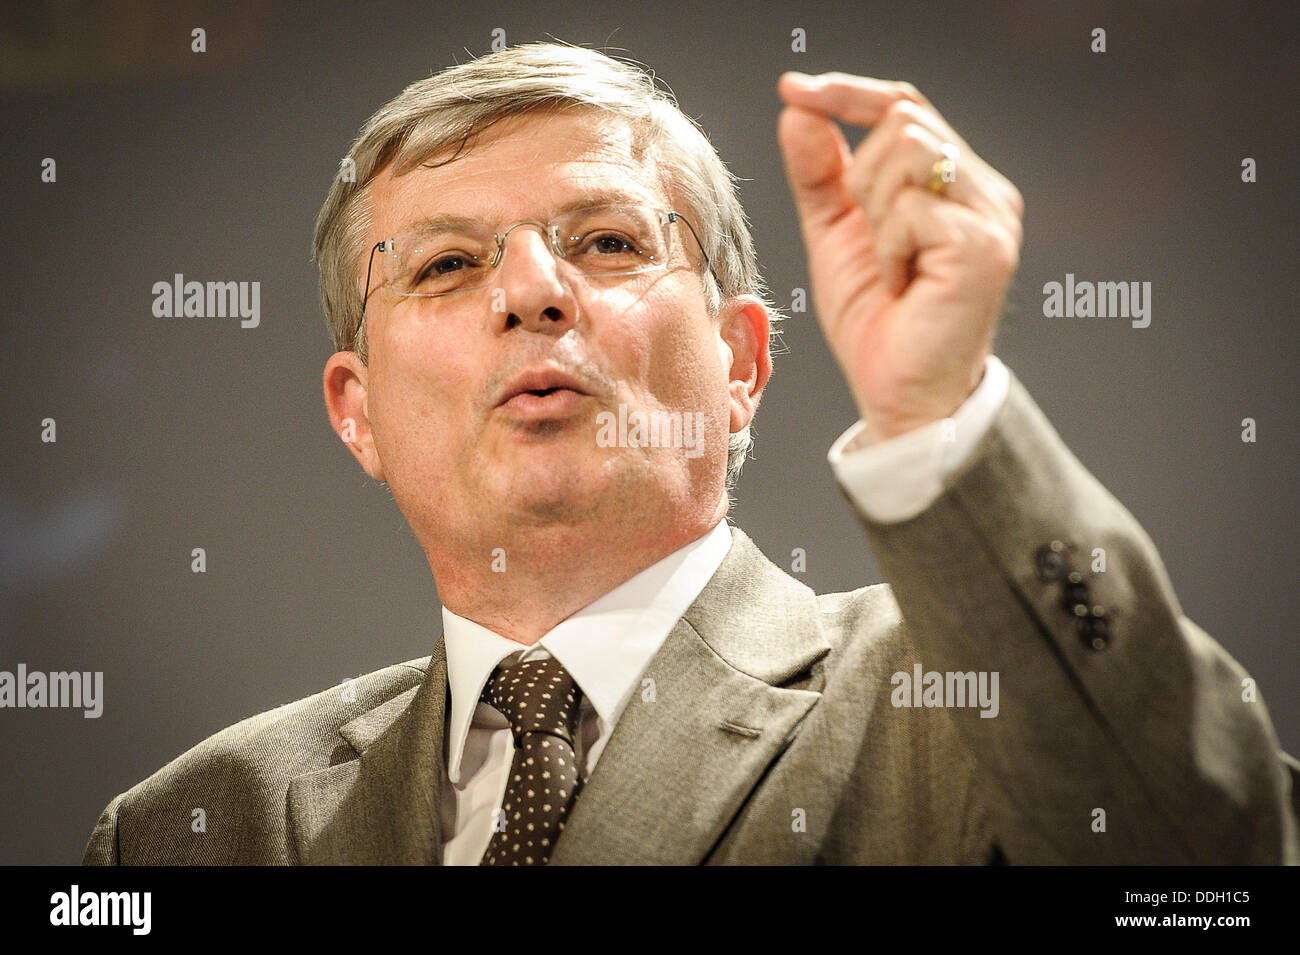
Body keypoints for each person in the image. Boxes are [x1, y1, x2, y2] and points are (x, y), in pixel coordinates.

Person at [84, 42, 1297, 865]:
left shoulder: (959, 695)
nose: (531, 292)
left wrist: (939, 416)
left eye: (606, 241)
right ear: (356, 410)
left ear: (742, 364)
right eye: (447, 264)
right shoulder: (197, 823)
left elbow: (1205, 857)